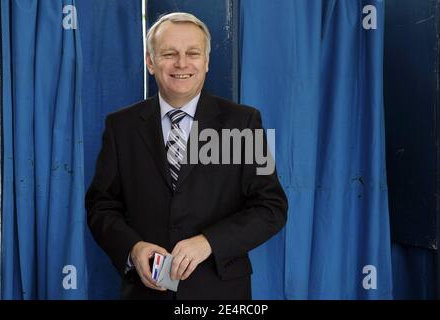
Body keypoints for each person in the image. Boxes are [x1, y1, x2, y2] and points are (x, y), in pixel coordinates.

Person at [85, 12, 288, 300]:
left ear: (206, 62)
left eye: (192, 53)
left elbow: (271, 208)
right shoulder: (121, 126)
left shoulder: (242, 122)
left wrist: (209, 242)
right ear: (150, 62)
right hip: (145, 293)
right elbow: (101, 206)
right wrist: (134, 248)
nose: (181, 63)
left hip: (220, 292)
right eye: (169, 53)